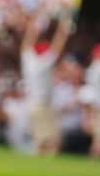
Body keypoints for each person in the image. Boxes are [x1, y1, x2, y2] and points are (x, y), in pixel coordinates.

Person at [19, 13, 71, 154]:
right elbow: (57, 47)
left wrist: (33, 27)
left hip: (32, 104)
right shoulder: (44, 64)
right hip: (43, 106)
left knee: (41, 142)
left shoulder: (28, 60)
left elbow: (26, 44)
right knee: (52, 143)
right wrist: (63, 30)